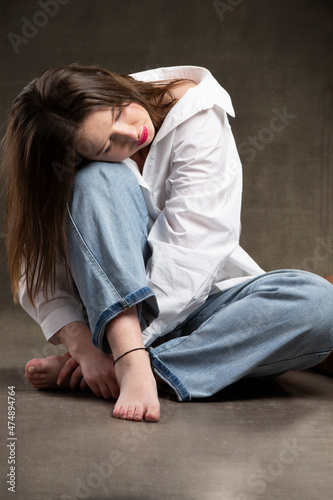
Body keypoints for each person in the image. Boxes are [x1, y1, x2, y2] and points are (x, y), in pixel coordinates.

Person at [2, 64, 333, 423]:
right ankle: (137, 367)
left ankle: (127, 370)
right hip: (109, 316)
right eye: (108, 144)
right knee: (98, 179)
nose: (132, 133)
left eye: (118, 112)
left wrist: (114, 354)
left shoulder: (196, 115)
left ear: (111, 88)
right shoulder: (83, 168)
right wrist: (82, 344)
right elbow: (36, 266)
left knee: (318, 304)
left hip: (205, 310)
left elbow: (197, 246)